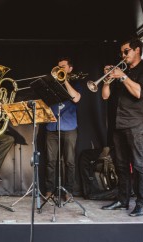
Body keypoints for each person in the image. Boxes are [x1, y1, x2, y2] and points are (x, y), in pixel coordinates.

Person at [101, 38, 143, 217]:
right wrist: (107, 81)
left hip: (136, 123)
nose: (123, 55)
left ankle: (141, 203)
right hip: (118, 123)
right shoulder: (121, 72)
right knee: (121, 165)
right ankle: (122, 200)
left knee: (139, 164)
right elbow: (105, 96)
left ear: (137, 50)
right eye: (122, 53)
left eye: (126, 51)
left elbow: (139, 93)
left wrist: (122, 76)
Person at [44, 57, 81, 202]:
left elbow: (76, 98)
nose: (60, 69)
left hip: (69, 126)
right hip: (51, 127)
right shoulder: (50, 85)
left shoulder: (76, 83)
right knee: (50, 161)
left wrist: (64, 80)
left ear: (70, 69)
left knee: (69, 162)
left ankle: (68, 192)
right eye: (58, 67)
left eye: (63, 67)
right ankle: (48, 190)